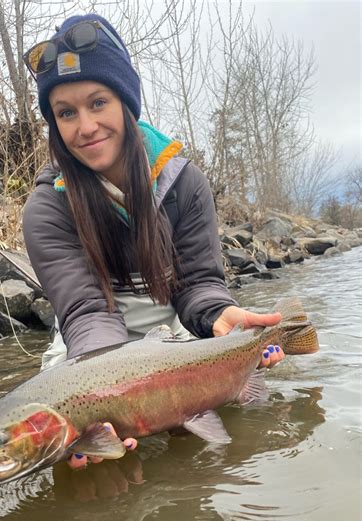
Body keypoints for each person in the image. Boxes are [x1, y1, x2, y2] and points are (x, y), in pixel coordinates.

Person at [22, 14, 285, 469]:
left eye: (97, 102)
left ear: (126, 102)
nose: (85, 126)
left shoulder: (184, 183)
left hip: (173, 329)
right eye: (66, 112)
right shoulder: (47, 209)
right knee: (65, 446)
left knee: (215, 438)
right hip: (93, 345)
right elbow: (86, 312)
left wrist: (219, 316)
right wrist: (104, 396)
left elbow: (198, 282)